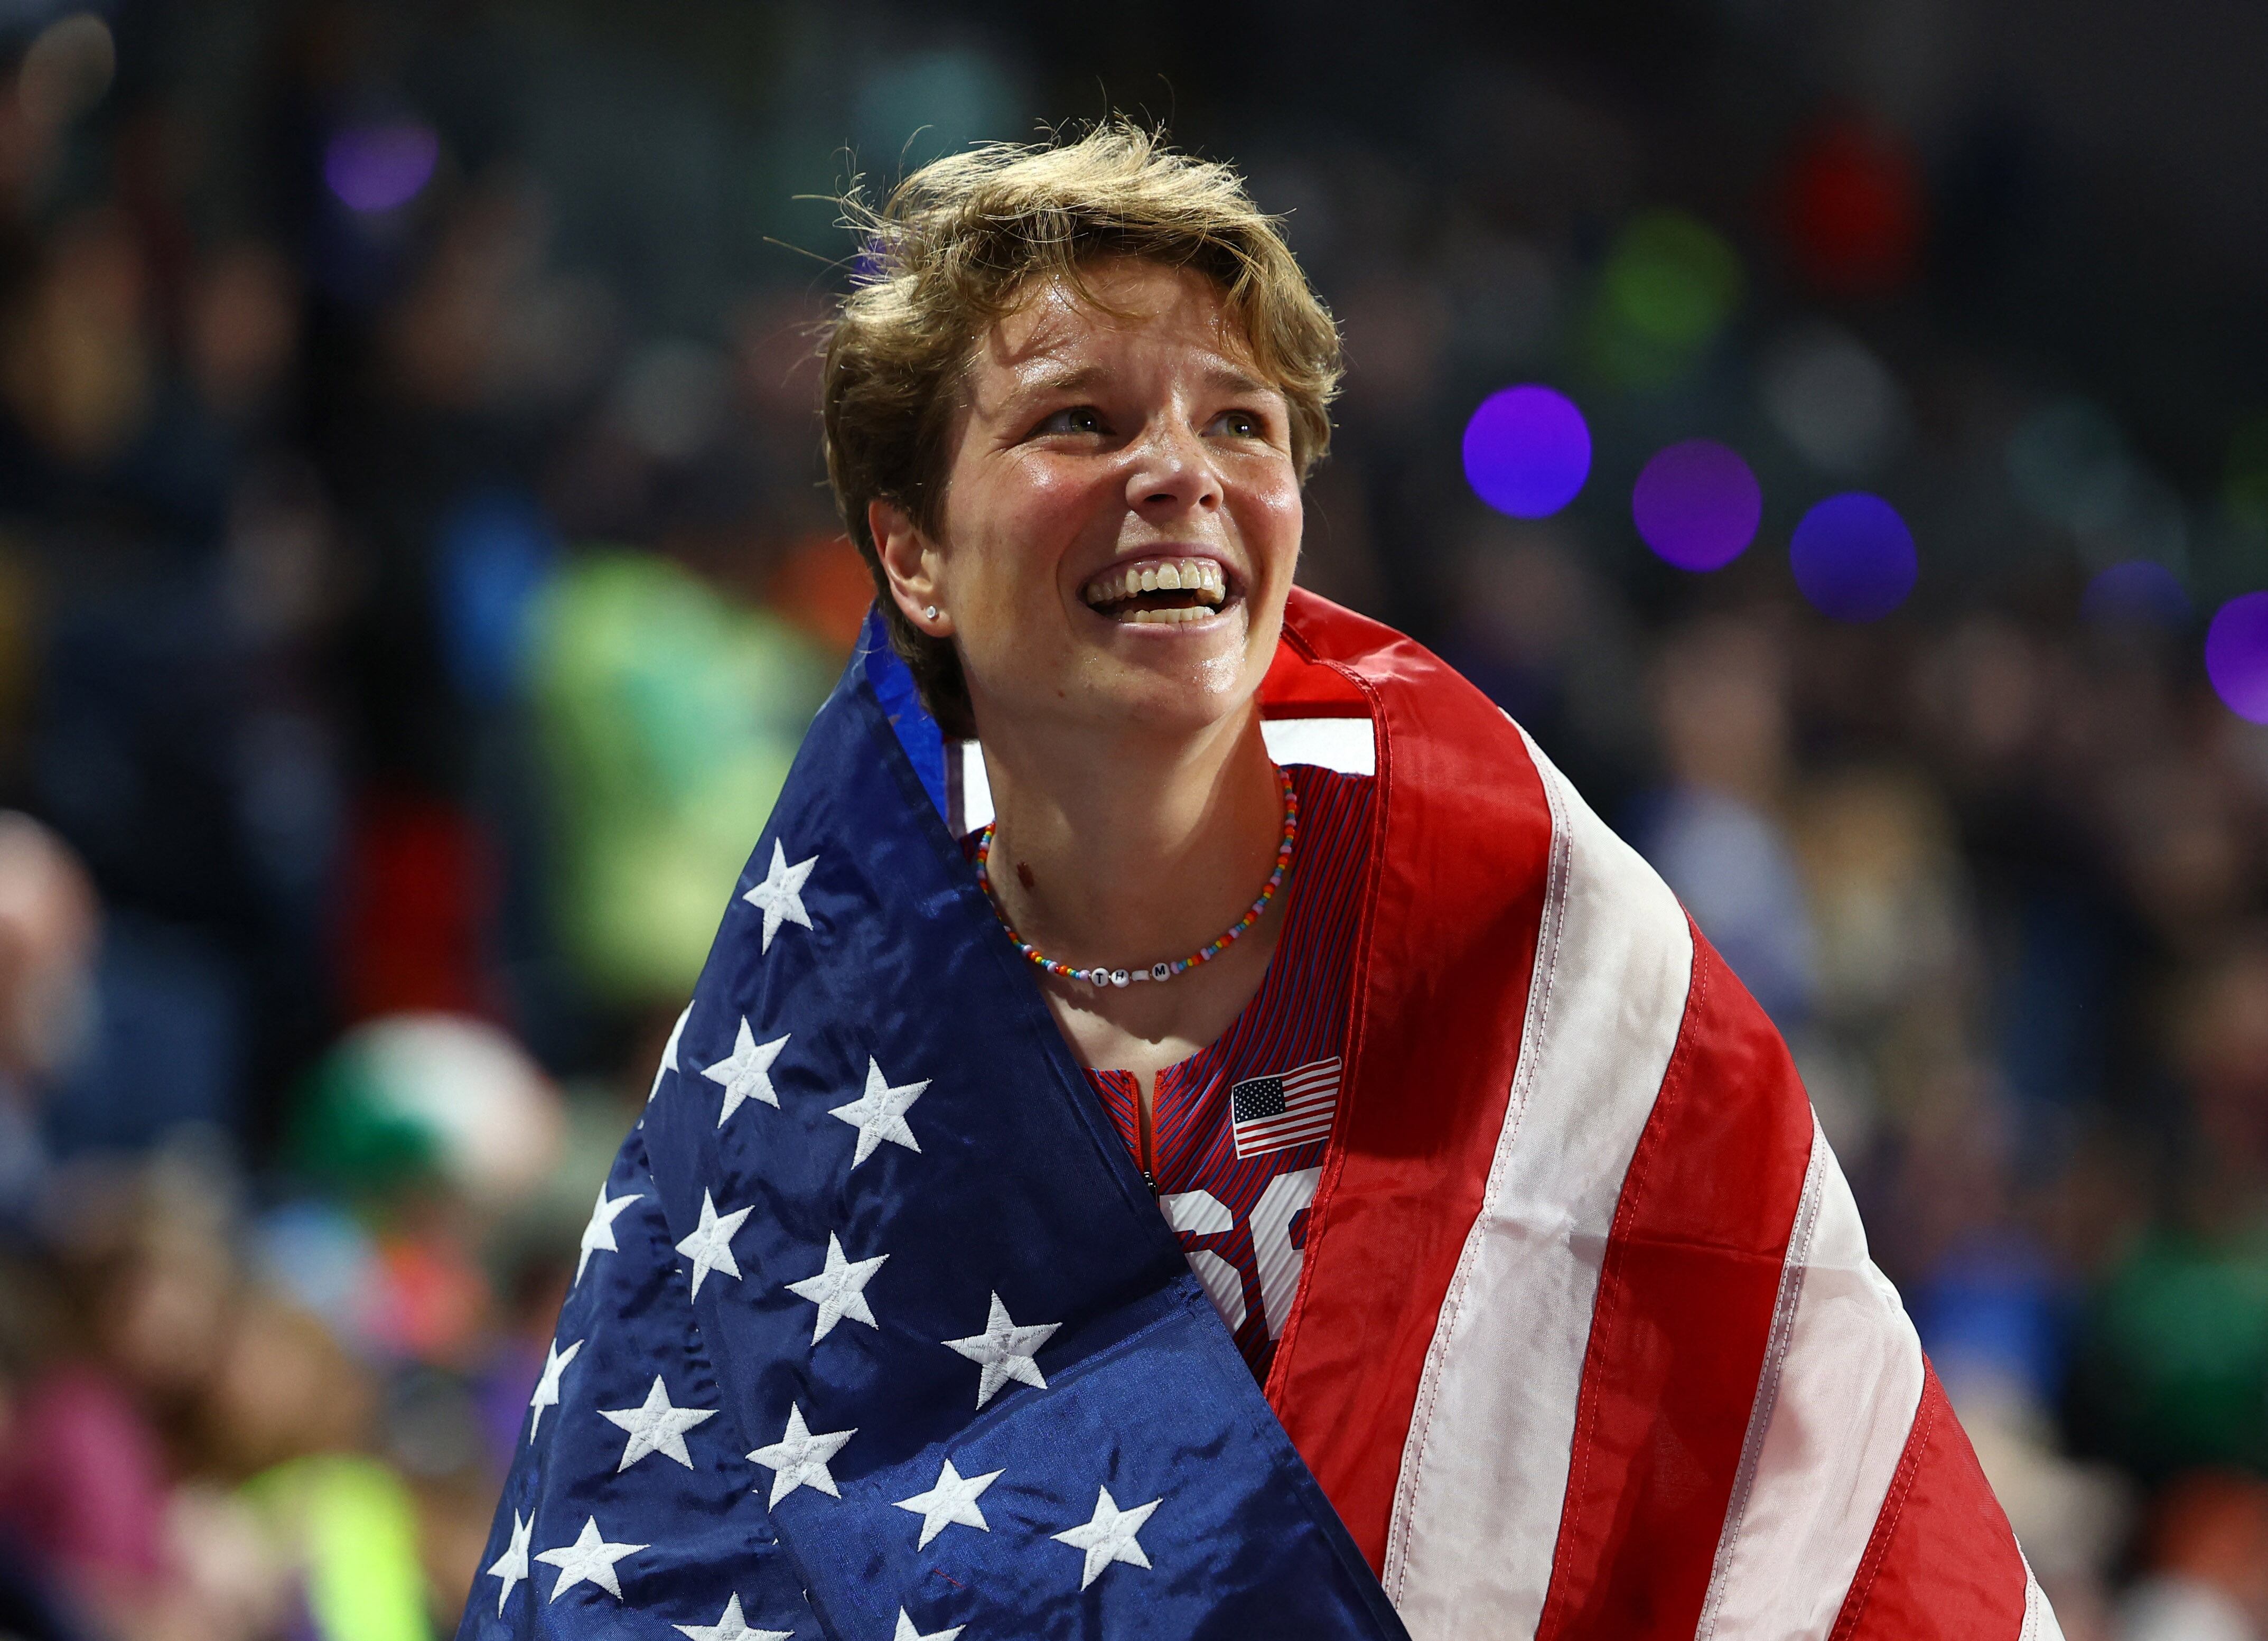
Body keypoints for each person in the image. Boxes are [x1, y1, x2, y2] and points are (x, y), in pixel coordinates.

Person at [460, 124, 2056, 1641]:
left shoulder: (1546, 944)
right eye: (1079, 419)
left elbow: (1816, 1493)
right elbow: (661, 1554)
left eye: (1241, 421)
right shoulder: (801, 1041)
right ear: (914, 555)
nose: (1182, 472)